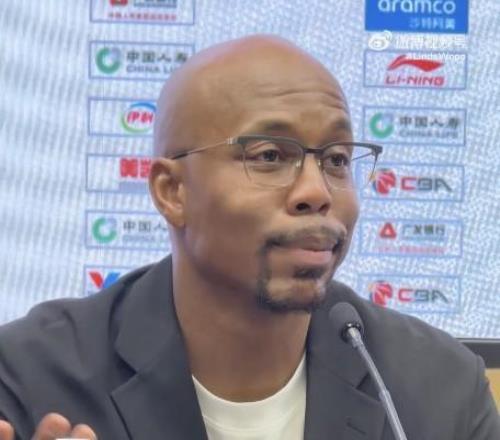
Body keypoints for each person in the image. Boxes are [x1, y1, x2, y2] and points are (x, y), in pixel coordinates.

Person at [0, 35, 498, 440]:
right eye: (269, 156)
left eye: (337, 159)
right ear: (172, 191)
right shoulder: (30, 378)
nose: (316, 192)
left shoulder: (440, 391)